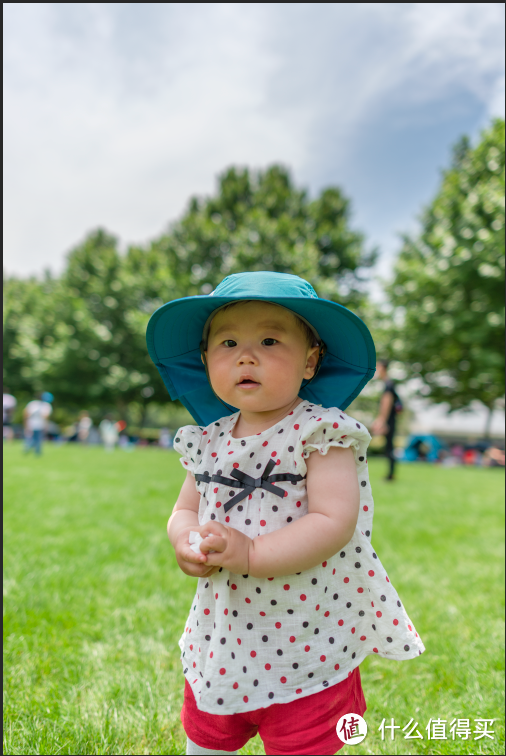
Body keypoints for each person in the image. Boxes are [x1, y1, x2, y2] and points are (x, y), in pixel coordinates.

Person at [146, 272, 425, 756]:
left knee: (303, 742)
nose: (246, 356)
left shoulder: (321, 432)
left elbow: (333, 521)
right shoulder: (207, 440)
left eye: (269, 340)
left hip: (307, 637)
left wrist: (252, 550)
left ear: (311, 361)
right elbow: (184, 508)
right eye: (228, 342)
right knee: (208, 737)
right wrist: (186, 539)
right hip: (225, 635)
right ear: (207, 360)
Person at [371, 359, 401, 481]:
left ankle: (391, 475)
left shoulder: (388, 384)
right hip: (390, 419)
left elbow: (386, 403)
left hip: (389, 420)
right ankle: (390, 474)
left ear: (383, 368)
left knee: (389, 448)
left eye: (377, 367)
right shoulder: (388, 384)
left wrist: (382, 420)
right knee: (389, 447)